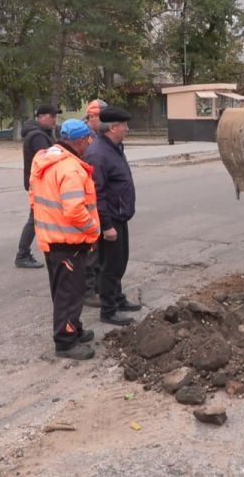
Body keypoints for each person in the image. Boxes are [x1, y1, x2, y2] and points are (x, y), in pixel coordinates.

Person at [29, 119, 100, 360]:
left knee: (64, 290)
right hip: (68, 242)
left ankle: (74, 328)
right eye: (88, 140)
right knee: (69, 294)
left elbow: (33, 197)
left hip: (53, 239)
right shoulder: (70, 169)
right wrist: (93, 230)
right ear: (80, 141)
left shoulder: (45, 160)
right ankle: (66, 342)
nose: (90, 144)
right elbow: (75, 210)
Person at [84, 106, 142, 326]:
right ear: (113, 128)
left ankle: (117, 298)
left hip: (120, 216)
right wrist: (106, 225)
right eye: (124, 125)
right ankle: (108, 310)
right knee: (110, 266)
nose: (127, 128)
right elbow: (96, 194)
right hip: (109, 220)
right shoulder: (98, 154)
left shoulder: (114, 147)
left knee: (119, 261)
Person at [15, 104, 60, 268]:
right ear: (41, 117)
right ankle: (22, 255)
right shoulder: (37, 136)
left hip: (39, 183)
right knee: (34, 219)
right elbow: (48, 159)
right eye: (52, 117)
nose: (55, 120)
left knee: (37, 218)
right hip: (40, 184)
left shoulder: (41, 134)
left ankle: (25, 254)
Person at [82, 99, 108, 299]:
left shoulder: (98, 136)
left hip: (94, 197)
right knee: (91, 247)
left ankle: (98, 284)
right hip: (88, 199)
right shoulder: (85, 137)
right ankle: (88, 289)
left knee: (98, 248)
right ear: (92, 116)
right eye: (102, 116)